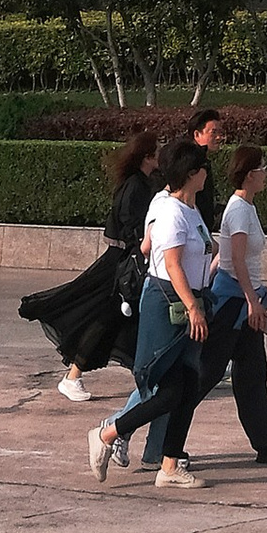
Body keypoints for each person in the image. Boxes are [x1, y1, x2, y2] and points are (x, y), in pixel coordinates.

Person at [90, 144, 213, 492]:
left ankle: (170, 464)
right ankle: (108, 433)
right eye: (203, 166)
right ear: (191, 173)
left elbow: (152, 247)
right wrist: (192, 306)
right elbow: (171, 264)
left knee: (188, 385)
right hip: (170, 304)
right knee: (167, 389)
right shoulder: (171, 210)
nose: (207, 172)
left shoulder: (187, 208)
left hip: (191, 299)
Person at [19, 121, 162, 402]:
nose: (160, 157)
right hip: (122, 264)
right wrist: (143, 245)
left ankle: (145, 373)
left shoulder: (142, 183)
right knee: (104, 316)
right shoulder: (135, 186)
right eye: (156, 152)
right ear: (147, 157)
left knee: (120, 319)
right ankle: (74, 374)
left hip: (126, 261)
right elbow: (129, 223)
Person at [208, 147, 267, 468]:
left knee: (252, 373)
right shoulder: (238, 210)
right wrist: (252, 301)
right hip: (233, 304)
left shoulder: (247, 208)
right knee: (205, 374)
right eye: (263, 168)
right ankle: (160, 439)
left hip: (245, 302)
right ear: (250, 174)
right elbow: (234, 261)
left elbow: (226, 257)